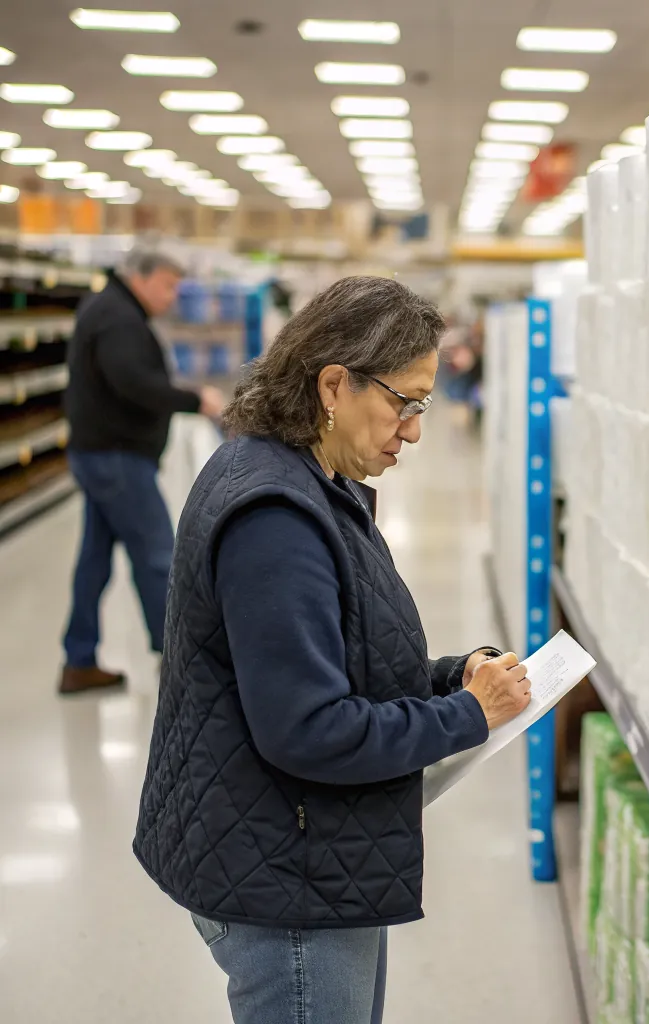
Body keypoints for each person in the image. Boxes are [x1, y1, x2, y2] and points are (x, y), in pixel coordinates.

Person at [133, 276, 532, 1024]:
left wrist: (456, 677)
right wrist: (465, 717)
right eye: (403, 402)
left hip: (304, 853)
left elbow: (341, 649)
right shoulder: (275, 518)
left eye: (423, 405)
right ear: (333, 385)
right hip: (286, 882)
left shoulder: (312, 479)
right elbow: (309, 728)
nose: (413, 429)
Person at [61, 248, 224, 695]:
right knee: (156, 555)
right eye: (168, 286)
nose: (172, 297)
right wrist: (196, 400)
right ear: (141, 278)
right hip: (117, 458)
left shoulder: (112, 309)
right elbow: (133, 383)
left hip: (101, 454)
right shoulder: (118, 317)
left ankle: (78, 660)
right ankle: (178, 660)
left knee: (94, 560)